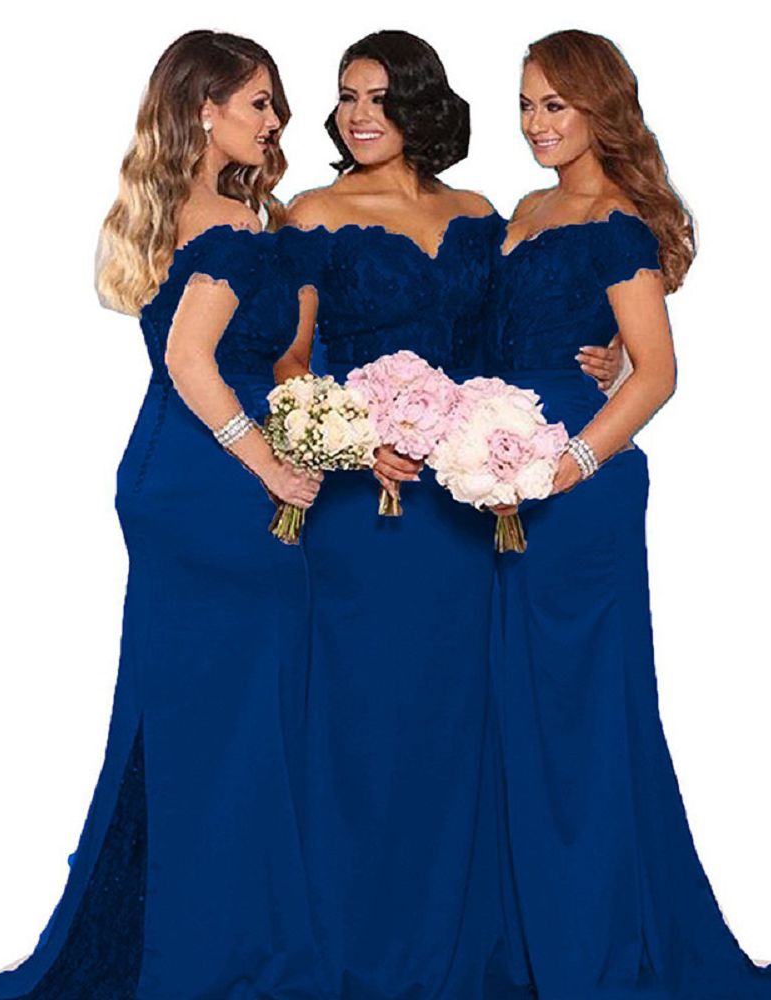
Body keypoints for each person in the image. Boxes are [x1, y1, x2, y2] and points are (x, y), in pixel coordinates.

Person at [0, 30, 327, 1000]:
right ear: (204, 108)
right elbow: (192, 361)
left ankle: (178, 936)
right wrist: (270, 465)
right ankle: (225, 949)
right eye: (258, 103)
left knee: (196, 713)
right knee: (234, 718)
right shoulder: (230, 226)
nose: (275, 120)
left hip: (174, 473)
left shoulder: (186, 212)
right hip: (217, 481)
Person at [486, 29, 771, 998]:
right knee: (507, 709)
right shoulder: (524, 209)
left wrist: (569, 464)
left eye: (555, 104)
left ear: (601, 108)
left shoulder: (619, 222)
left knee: (582, 715)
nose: (536, 123)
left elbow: (659, 373)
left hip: (575, 494)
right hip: (492, 475)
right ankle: (518, 938)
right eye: (526, 104)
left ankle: (591, 944)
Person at [276, 30, 534, 1000]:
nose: (358, 115)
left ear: (421, 104)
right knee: (361, 724)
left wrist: (608, 359)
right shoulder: (313, 212)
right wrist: (356, 439)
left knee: (453, 723)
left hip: (461, 514)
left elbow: (510, 345)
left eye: (379, 97)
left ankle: (452, 943)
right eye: (347, 96)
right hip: (363, 512)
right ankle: (352, 945)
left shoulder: (479, 214)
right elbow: (289, 360)